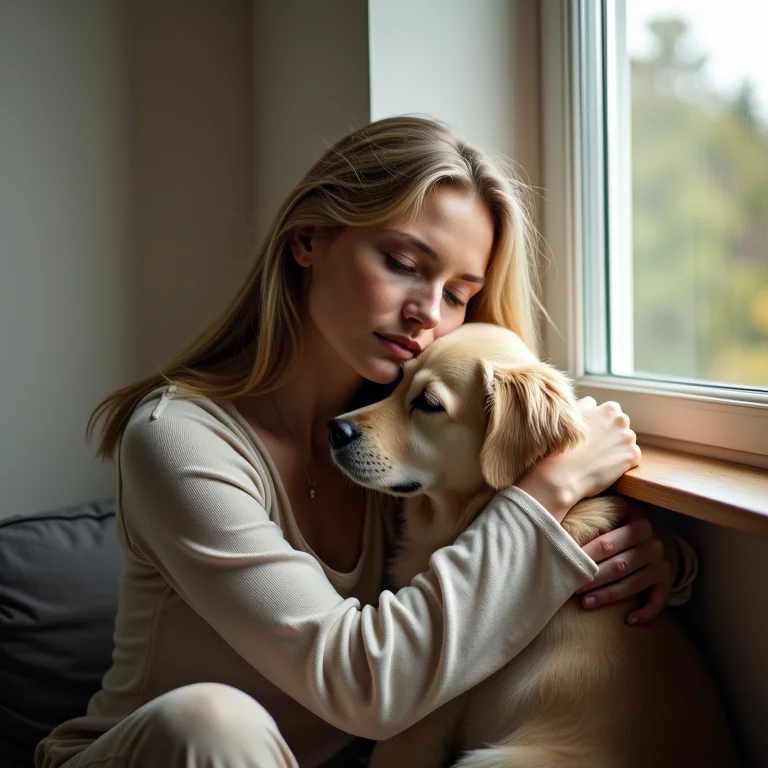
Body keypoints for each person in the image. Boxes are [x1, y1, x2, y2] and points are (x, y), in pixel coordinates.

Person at [36, 116, 697, 768]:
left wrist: (649, 559)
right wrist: (550, 492)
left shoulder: (415, 441)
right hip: (168, 755)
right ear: (307, 241)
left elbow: (498, 552)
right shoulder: (177, 439)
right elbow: (363, 686)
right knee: (211, 721)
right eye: (404, 264)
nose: (429, 314)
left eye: (461, 294)